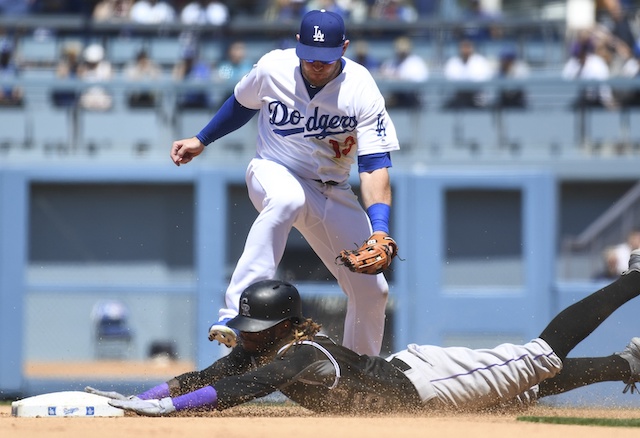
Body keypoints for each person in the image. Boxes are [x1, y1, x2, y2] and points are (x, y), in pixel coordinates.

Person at [89, 249, 640, 415]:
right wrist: (142, 398)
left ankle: (633, 280)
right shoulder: (264, 347)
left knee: (538, 358)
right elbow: (206, 377)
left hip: (434, 385)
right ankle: (630, 365)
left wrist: (169, 412)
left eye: (254, 327)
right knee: (523, 390)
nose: (245, 336)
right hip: (417, 392)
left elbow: (237, 391)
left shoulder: (301, 354)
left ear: (278, 326)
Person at [169, 9, 400, 356]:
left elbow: (374, 165)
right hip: (273, 170)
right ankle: (234, 313)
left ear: (345, 48)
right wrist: (202, 139)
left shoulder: (361, 89)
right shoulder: (273, 67)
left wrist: (379, 229)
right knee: (288, 199)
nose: (317, 65)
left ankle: (358, 378)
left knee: (373, 292)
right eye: (310, 57)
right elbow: (241, 104)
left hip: (331, 189)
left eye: (326, 59)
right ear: (297, 44)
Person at [378, 36, 429, 108]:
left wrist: (397, 77)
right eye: (399, 49)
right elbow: (382, 75)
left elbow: (419, 81)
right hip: (394, 96)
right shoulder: (390, 62)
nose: (401, 52)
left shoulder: (417, 62)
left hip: (412, 99)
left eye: (404, 50)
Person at [442, 38, 493, 109]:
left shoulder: (481, 61)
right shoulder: (453, 62)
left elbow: (484, 79)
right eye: (463, 47)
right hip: (458, 95)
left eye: (468, 47)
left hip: (477, 96)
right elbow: (450, 79)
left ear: (472, 48)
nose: (465, 50)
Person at [0, 41, 23, 107]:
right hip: (1, 94)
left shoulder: (14, 67)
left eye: (6, 54)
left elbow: (19, 81)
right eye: (3, 54)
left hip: (12, 94)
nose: (5, 56)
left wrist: (15, 90)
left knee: (19, 92)